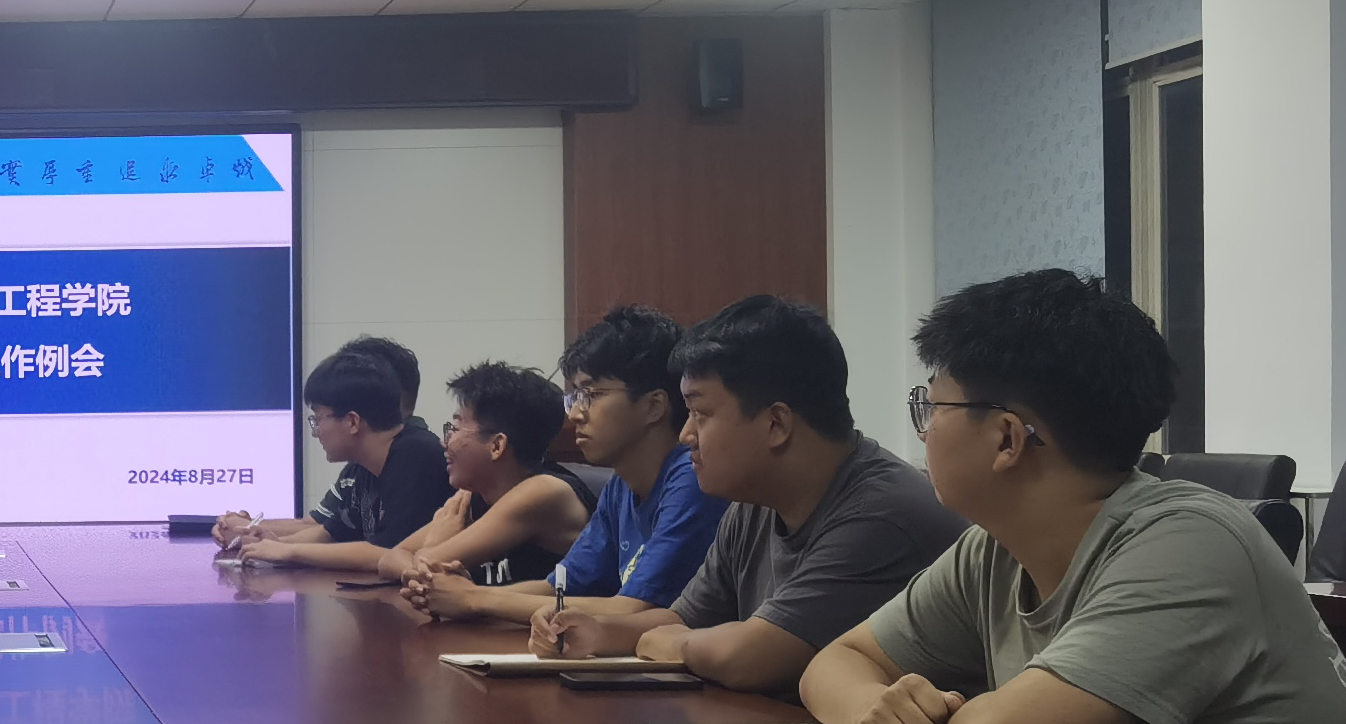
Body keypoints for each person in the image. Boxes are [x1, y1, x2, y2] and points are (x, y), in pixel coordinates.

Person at [801, 270, 1346, 724]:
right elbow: (837, 663)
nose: (923, 430)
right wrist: (875, 709)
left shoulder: (1190, 542)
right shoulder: (993, 551)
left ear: (1006, 439)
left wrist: (942, 721)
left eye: (932, 405)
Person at [530, 296, 964, 693]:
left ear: (776, 424)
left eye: (700, 413)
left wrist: (675, 642)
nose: (685, 435)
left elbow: (748, 658)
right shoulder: (754, 502)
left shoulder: (881, 512)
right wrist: (596, 631)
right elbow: (682, 618)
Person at [411, 306, 715, 625]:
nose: (575, 414)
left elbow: (637, 610)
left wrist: (475, 599)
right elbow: (558, 587)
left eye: (592, 394)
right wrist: (464, 594)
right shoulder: (621, 486)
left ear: (653, 406)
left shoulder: (692, 478)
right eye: (575, 397)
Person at [223, 347, 451, 563]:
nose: (316, 432)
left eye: (318, 419)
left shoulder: (416, 456)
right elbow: (331, 533)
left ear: (352, 422)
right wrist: (270, 543)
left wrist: (289, 551)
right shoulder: (366, 463)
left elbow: (387, 552)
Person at [379, 362, 590, 586]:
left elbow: (429, 564)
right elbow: (389, 560)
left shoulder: (544, 492)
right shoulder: (475, 496)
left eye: (455, 429)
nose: (443, 441)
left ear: (496, 445)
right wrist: (421, 561)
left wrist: (432, 545)